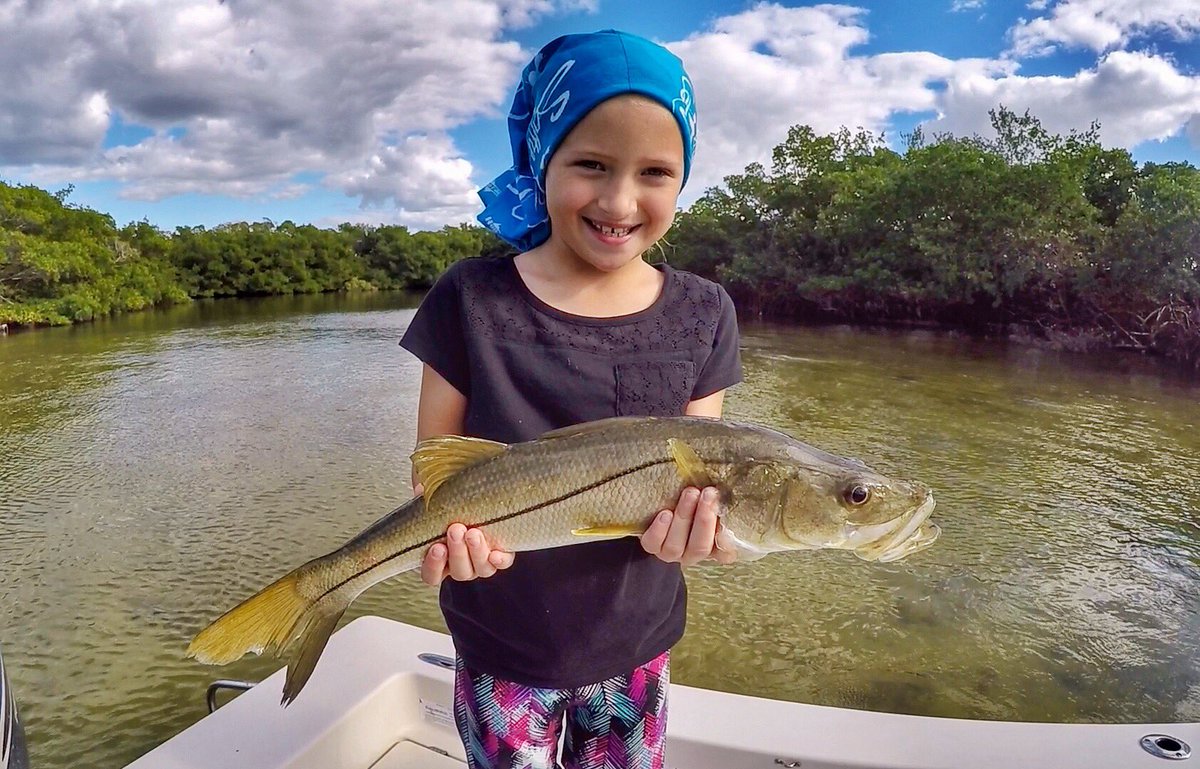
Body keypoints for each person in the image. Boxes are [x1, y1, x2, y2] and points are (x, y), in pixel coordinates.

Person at [400, 29, 742, 769]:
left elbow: (701, 478)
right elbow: (435, 476)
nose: (620, 199)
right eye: (591, 164)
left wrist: (701, 533)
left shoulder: (706, 311)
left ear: (684, 179)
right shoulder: (467, 296)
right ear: (542, 158)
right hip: (499, 641)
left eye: (655, 171)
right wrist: (448, 538)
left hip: (637, 646)